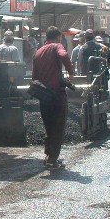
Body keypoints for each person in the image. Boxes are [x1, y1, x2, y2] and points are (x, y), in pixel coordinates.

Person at [31, 26, 74, 170]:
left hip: (44, 96)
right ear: (58, 37)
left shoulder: (38, 52)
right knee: (58, 127)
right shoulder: (57, 46)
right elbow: (63, 55)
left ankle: (48, 155)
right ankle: (52, 160)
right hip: (56, 94)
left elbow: (35, 77)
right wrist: (71, 72)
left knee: (49, 127)